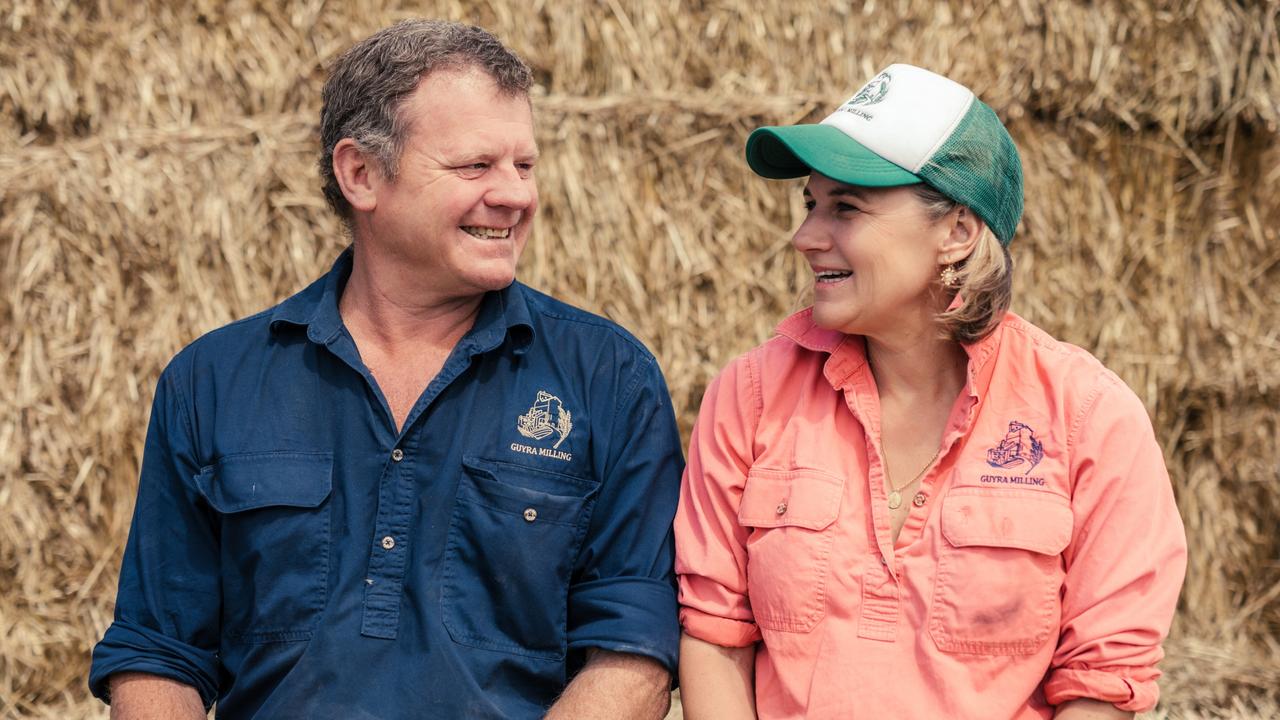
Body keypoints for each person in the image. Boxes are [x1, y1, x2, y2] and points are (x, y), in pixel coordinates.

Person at [89, 20, 681, 719]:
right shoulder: (210, 382)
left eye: (525, 165)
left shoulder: (609, 378)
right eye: (475, 166)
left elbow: (632, 652)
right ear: (361, 175)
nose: (516, 195)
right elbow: (158, 652)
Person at [674, 63, 1187, 720]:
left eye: (846, 207)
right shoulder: (747, 396)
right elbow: (715, 635)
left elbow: (1103, 678)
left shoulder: (1090, 417)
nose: (804, 237)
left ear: (958, 232)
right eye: (810, 204)